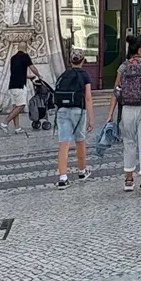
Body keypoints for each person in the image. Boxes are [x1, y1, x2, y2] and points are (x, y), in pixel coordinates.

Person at [107, 37, 141, 196]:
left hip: (127, 110)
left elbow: (116, 90)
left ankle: (129, 180)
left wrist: (110, 113)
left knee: (129, 144)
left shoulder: (123, 66)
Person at [54, 48, 93, 189]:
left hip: (62, 110)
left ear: (70, 61)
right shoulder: (84, 75)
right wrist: (91, 119)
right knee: (80, 141)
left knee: (64, 143)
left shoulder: (63, 75)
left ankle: (62, 178)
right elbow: (88, 98)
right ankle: (82, 171)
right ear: (83, 61)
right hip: (78, 110)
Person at [0, 47, 39, 135]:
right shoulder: (25, 56)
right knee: (21, 106)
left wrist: (28, 77)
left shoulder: (13, 58)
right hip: (19, 86)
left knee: (15, 107)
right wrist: (39, 75)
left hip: (12, 86)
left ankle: (17, 128)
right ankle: (4, 123)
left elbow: (16, 73)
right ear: (25, 48)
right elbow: (33, 68)